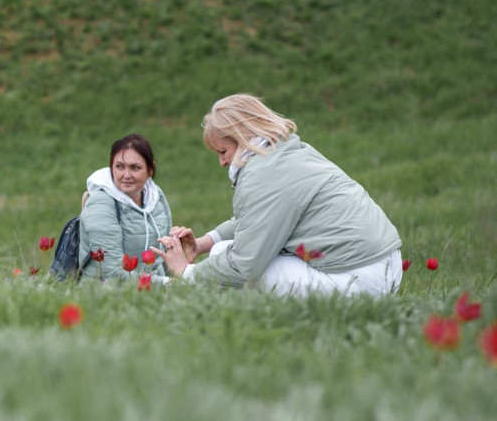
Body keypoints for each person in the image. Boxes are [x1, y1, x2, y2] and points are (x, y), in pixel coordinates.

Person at [158, 94, 401, 296]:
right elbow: (259, 219)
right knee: (221, 252)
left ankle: (174, 291)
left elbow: (245, 264)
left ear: (242, 137)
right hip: (384, 269)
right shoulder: (285, 152)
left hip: (359, 280)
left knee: (225, 258)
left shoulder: (262, 173)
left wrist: (186, 273)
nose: (222, 162)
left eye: (223, 151)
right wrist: (201, 244)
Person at [79, 133, 173, 282]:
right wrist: (168, 284)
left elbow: (168, 253)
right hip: (107, 291)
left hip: (156, 288)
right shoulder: (100, 204)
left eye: (135, 167)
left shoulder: (156, 195)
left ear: (150, 170)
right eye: (119, 167)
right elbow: (111, 273)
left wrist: (180, 281)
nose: (126, 175)